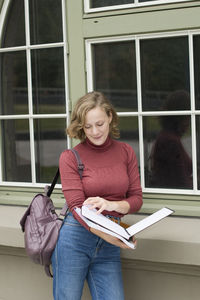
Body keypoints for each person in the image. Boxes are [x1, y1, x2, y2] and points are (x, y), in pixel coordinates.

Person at [51, 91, 143, 300]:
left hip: (110, 241)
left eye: (99, 124)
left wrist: (113, 206)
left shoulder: (126, 152)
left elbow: (136, 199)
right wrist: (106, 233)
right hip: (76, 239)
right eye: (87, 126)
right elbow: (75, 206)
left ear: (110, 116)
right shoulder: (70, 157)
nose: (94, 131)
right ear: (81, 126)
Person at [150, 90, 192, 189]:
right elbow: (180, 182)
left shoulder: (169, 137)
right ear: (182, 117)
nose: (190, 122)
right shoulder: (170, 141)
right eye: (188, 117)